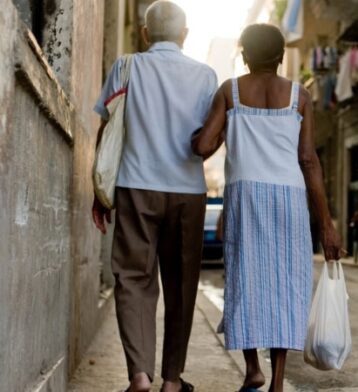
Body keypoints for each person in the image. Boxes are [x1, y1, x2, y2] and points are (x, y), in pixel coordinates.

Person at [192, 24, 344, 392]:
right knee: (286, 286)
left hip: (246, 196)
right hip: (290, 199)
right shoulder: (300, 96)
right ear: (280, 57)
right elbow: (308, 161)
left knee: (245, 279)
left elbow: (202, 148)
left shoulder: (230, 91)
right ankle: (276, 382)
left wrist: (226, 130)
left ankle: (252, 370)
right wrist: (326, 224)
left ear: (244, 55)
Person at [91, 1, 217, 391]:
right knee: (181, 286)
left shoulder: (127, 66)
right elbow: (209, 140)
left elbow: (108, 131)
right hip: (188, 193)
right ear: (185, 34)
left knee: (132, 279)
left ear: (146, 34)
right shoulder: (206, 75)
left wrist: (101, 191)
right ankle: (172, 380)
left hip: (135, 186)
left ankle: (139, 375)